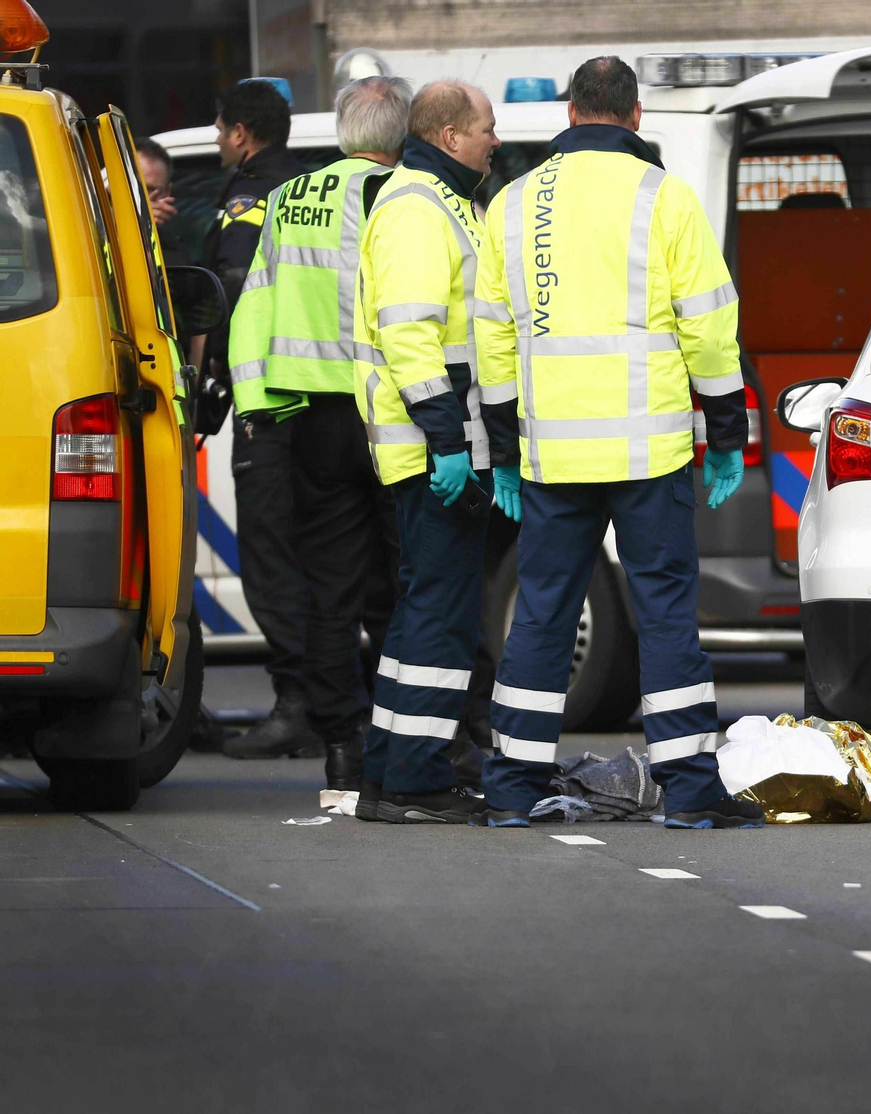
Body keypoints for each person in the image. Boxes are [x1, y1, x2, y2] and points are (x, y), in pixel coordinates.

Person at [473, 56, 763, 830]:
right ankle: (691, 790)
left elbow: (493, 341)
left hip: (552, 455)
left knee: (541, 615)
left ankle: (512, 784)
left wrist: (502, 447)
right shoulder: (664, 198)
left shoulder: (511, 203)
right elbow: (709, 324)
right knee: (665, 613)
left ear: (570, 114)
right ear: (635, 117)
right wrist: (726, 433)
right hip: (649, 451)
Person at [224, 76, 413, 792]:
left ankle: (343, 742)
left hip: (312, 419)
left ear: (340, 131)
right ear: (400, 136)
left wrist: (258, 404)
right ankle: (408, 736)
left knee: (329, 591)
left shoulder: (287, 199)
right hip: (391, 412)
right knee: (405, 585)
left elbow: (254, 306)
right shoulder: (405, 196)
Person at [353, 79, 505, 824]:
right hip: (433, 448)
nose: (494, 139)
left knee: (424, 618)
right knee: (439, 620)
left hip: (439, 445)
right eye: (486, 127)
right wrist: (448, 439)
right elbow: (410, 334)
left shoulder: (441, 202)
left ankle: (389, 773)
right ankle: (413, 780)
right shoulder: (418, 207)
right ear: (450, 136)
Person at [199, 80, 314, 758]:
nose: (218, 140)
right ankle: (331, 704)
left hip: (267, 406)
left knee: (272, 559)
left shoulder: (247, 199)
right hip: (323, 400)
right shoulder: (307, 189)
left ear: (241, 132)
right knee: (325, 557)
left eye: (220, 129)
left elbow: (233, 292)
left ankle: (296, 704)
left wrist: (210, 370)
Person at [134, 137, 186, 264]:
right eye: (137, 188)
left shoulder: (174, 251)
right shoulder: (92, 233)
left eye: (152, 191)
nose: (146, 199)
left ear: (167, 193)